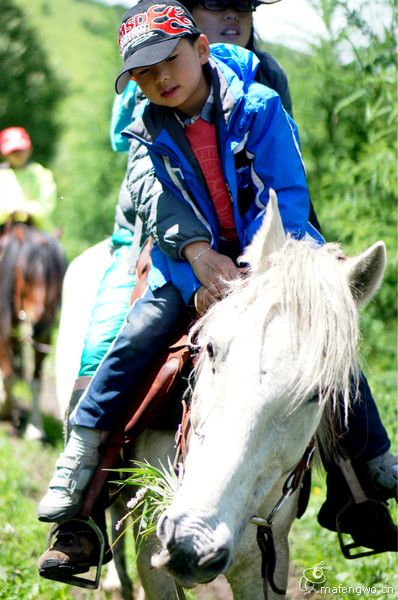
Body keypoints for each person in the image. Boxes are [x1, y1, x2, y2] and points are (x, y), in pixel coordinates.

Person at [38, 0, 395, 567]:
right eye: (143, 72)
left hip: (269, 252)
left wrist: (267, 269)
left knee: (321, 339)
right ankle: (83, 470)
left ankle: (365, 472)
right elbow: (154, 200)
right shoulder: (145, 121)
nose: (158, 78)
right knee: (130, 337)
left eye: (168, 63)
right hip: (181, 256)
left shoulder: (261, 95)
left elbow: (283, 192)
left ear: (200, 52)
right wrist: (197, 260)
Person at [0, 126, 57, 231]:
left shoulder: (41, 174)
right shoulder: (2, 175)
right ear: (4, 154)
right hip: (4, 230)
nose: (17, 154)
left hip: (38, 230)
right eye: (13, 151)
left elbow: (46, 206)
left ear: (29, 149)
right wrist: (8, 211)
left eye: (20, 150)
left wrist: (27, 210)